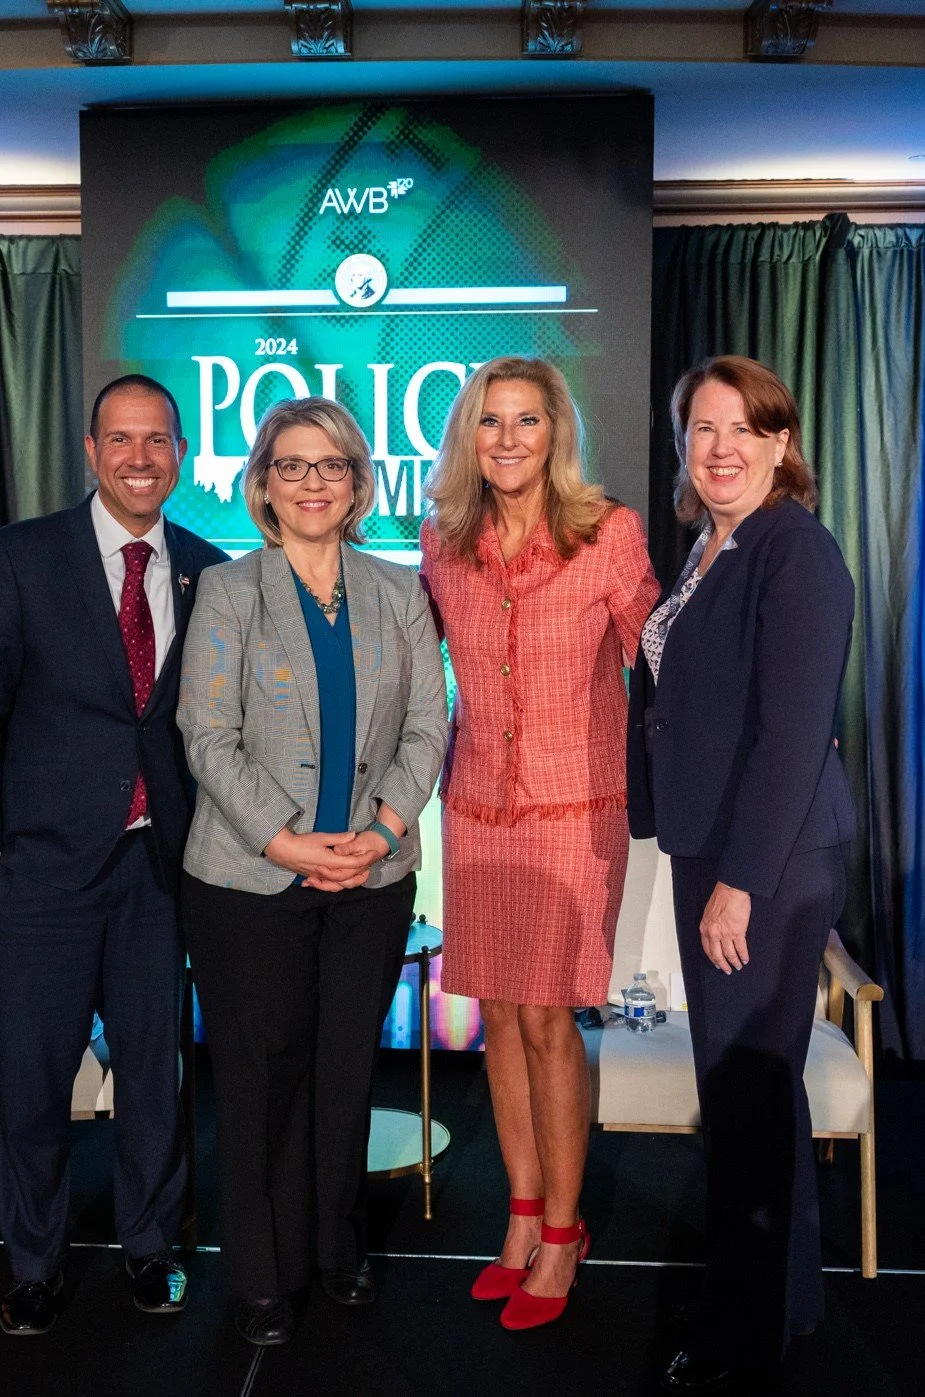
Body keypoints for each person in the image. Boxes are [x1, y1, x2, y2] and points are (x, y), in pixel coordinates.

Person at [0, 374, 227, 1337]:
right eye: (122, 439)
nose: (140, 457)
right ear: (91, 449)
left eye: (158, 441)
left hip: (158, 871)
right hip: (37, 876)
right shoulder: (18, 561)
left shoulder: (208, 568)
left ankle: (153, 1251)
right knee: (35, 1085)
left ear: (181, 454)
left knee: (156, 1078)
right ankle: (35, 1264)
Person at [177, 397, 448, 1347]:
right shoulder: (228, 590)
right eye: (291, 466)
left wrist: (379, 833)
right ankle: (259, 1275)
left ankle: (335, 1246)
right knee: (258, 1080)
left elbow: (428, 725)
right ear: (261, 484)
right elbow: (205, 736)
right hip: (250, 882)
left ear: (358, 482)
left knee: (342, 1072)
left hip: (372, 881)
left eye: (331, 465)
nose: (312, 482)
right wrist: (287, 842)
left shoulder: (398, 590)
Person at [627, 356, 855, 1392]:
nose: (719, 447)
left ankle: (738, 1341)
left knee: (746, 1100)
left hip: (767, 856)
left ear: (779, 442)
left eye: (740, 429)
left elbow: (792, 735)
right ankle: (786, 1304)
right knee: (761, 1094)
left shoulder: (793, 553)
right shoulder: (711, 547)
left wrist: (742, 882)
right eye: (701, 428)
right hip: (717, 845)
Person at [419, 356, 659, 1330]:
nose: (509, 438)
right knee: (500, 1024)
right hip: (474, 811)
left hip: (573, 813)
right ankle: (520, 1216)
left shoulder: (608, 532)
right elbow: (402, 657)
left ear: (556, 431)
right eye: (490, 421)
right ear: (468, 437)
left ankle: (565, 1230)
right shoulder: (443, 540)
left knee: (551, 1021)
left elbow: (665, 653)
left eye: (527, 420)